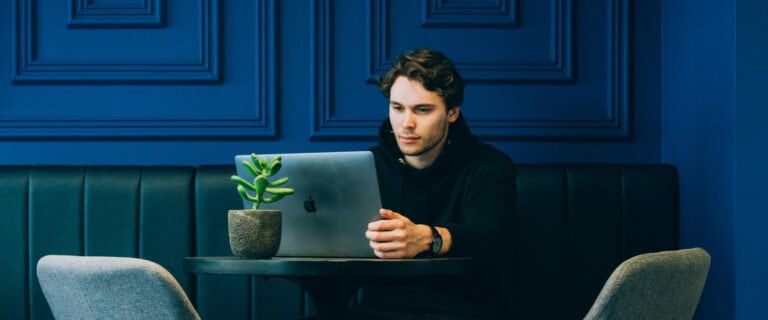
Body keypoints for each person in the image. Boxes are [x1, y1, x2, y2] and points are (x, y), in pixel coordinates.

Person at [353, 48, 517, 319]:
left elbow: (491, 236)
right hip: (378, 312)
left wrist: (427, 238)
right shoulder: (367, 165)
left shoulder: (489, 165)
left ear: (452, 112)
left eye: (423, 110)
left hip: (463, 311)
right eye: (397, 108)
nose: (406, 123)